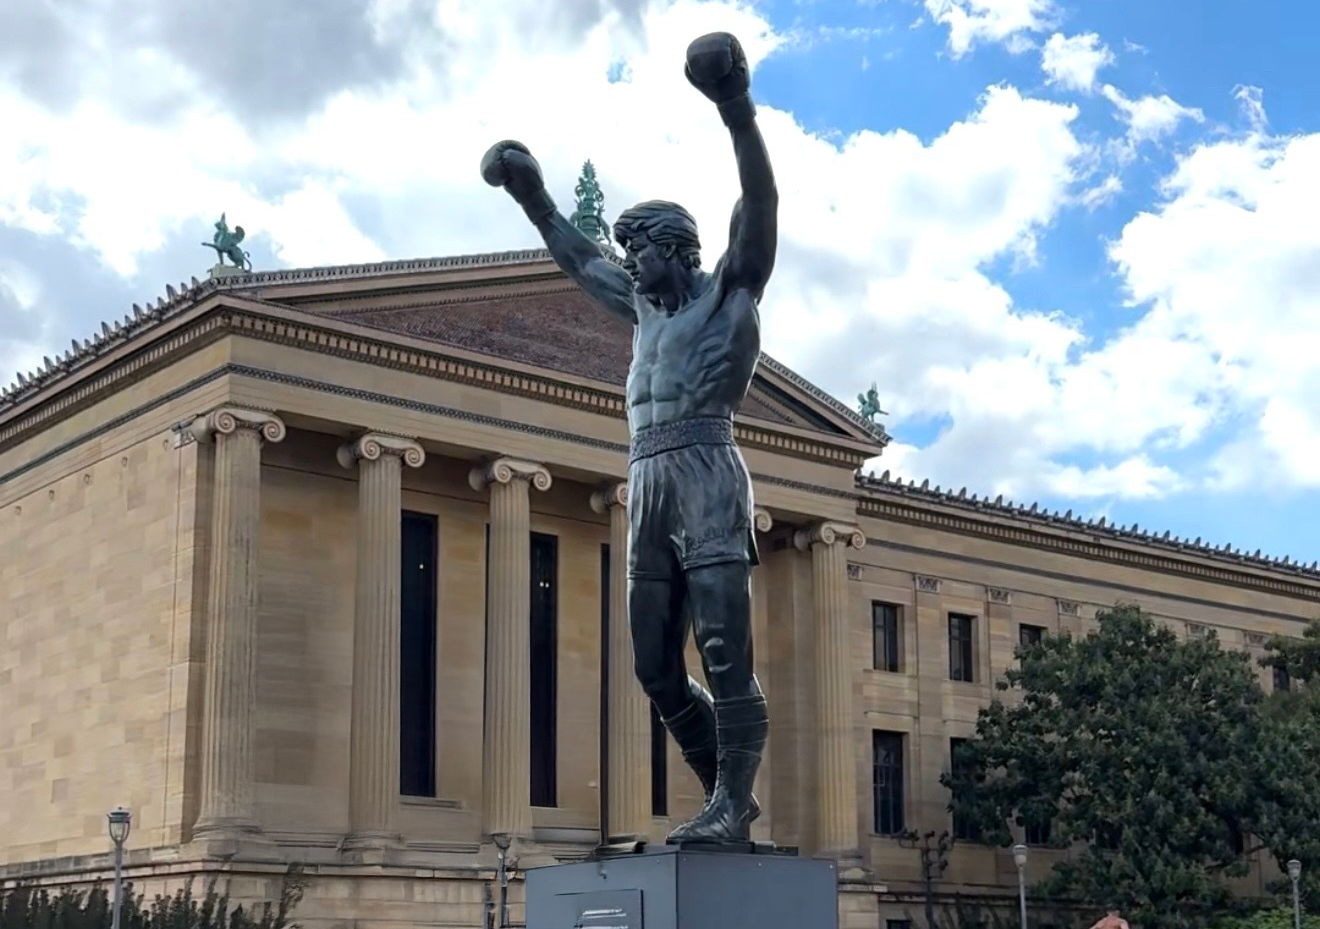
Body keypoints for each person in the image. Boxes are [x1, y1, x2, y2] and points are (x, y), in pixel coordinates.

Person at [480, 31, 777, 844]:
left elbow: (759, 207)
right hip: (645, 478)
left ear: (672, 252)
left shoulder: (731, 295)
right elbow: (577, 262)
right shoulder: (643, 312)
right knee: (654, 664)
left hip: (708, 467)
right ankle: (732, 795)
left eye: (636, 250)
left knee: (722, 650)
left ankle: (728, 802)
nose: (625, 262)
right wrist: (531, 194)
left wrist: (734, 108)